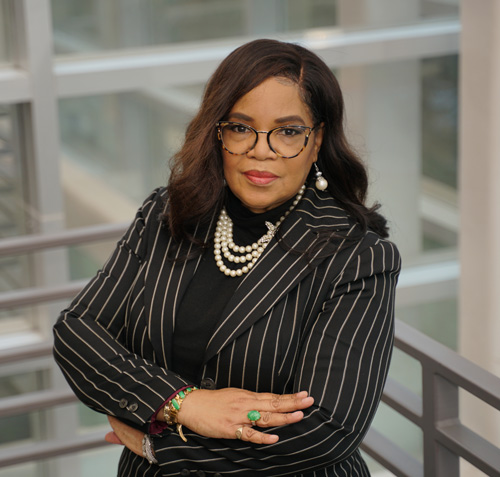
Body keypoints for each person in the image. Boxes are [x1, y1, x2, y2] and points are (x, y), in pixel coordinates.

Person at [53, 38, 400, 476]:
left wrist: (159, 448)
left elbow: (327, 429)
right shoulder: (167, 214)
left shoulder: (359, 256)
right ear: (217, 133)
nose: (262, 149)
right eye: (240, 127)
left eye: (289, 131)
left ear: (317, 141)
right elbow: (78, 332)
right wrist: (180, 403)